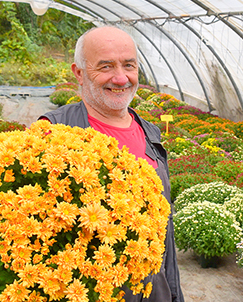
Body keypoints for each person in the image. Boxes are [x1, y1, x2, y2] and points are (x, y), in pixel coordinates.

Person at [39, 25, 184, 302]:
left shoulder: (150, 134)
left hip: (153, 291)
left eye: (129, 65)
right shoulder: (54, 131)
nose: (121, 78)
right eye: (106, 67)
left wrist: (174, 294)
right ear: (79, 73)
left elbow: (165, 233)